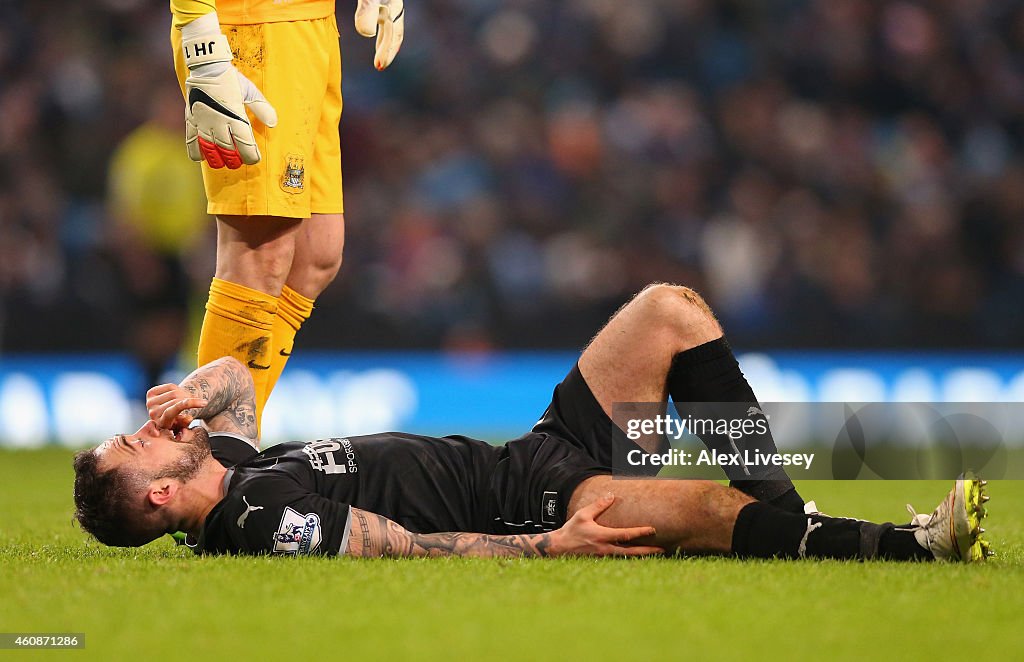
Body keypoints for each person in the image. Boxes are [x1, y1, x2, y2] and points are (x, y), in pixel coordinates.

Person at [73, 284, 991, 561]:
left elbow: (236, 388)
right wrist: (550, 547)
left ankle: (794, 526)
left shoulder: (233, 467)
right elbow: (395, 548)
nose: (142, 427)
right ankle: (909, 548)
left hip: (539, 448)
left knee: (669, 310)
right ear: (157, 492)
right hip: (538, 504)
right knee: (702, 503)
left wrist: (199, 389)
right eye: (133, 442)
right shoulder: (250, 521)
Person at [169, 0, 405, 436]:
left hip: (312, 27)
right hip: (253, 29)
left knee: (316, 255)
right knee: (260, 252)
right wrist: (202, 46)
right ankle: (208, 455)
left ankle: (218, 444)